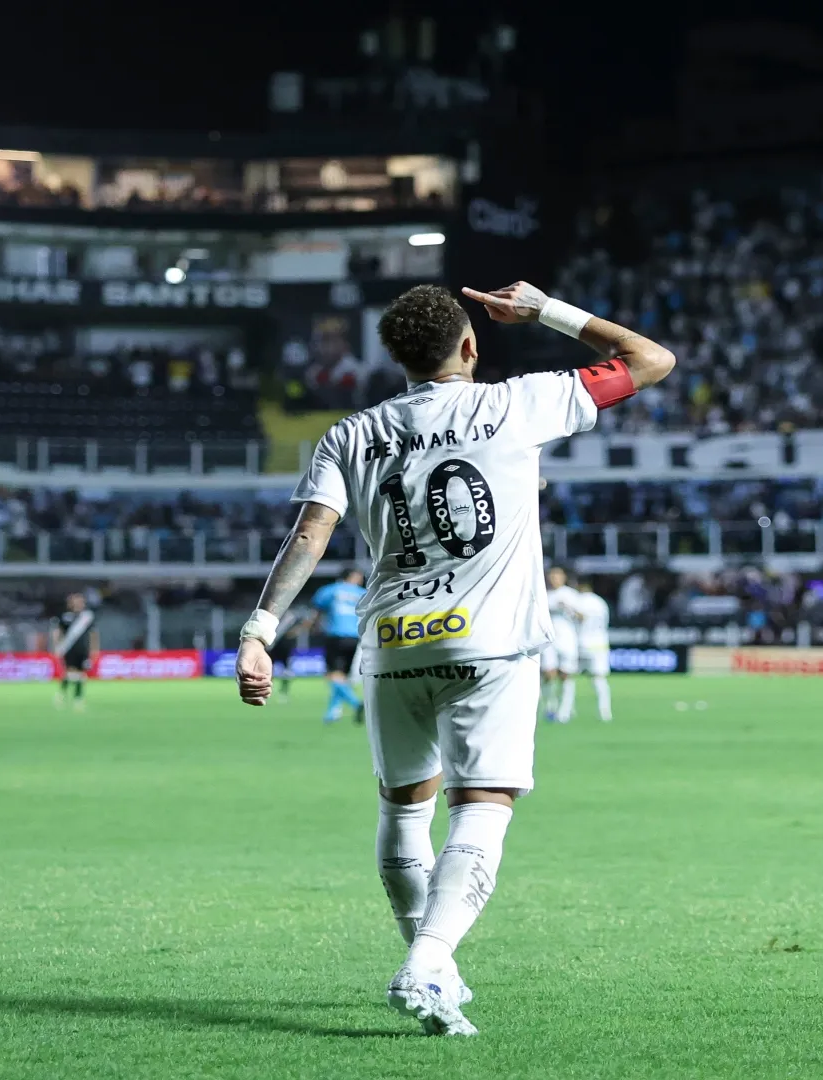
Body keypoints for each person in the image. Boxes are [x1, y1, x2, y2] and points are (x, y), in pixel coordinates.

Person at [232, 279, 674, 1035]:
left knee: (404, 809)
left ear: (397, 358)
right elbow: (650, 359)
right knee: (482, 808)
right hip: (489, 643)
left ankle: (436, 974)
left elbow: (309, 534)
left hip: (393, 641)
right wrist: (547, 312)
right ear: (469, 346)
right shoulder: (515, 404)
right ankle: (428, 961)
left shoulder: (350, 433)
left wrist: (259, 628)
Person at [310, 568, 368, 724]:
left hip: (335, 635)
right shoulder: (363, 593)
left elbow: (317, 611)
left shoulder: (329, 590)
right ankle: (332, 712)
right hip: (355, 637)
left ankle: (356, 703)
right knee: (342, 677)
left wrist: (314, 626)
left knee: (332, 675)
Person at [542, 567, 581, 723]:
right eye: (552, 576)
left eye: (557, 576)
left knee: (565, 674)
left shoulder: (571, 594)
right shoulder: (544, 594)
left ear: (564, 577)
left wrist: (568, 607)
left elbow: (582, 617)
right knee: (548, 673)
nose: (554, 579)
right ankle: (549, 706)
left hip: (567, 639)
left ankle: (565, 710)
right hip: (548, 640)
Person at [571, 579, 613, 723]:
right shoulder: (601, 602)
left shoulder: (579, 601)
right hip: (600, 644)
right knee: (599, 678)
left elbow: (580, 618)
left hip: (583, 643)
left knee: (568, 676)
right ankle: (605, 712)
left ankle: (567, 710)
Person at [52, 591, 100, 711]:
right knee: (69, 673)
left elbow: (93, 634)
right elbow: (58, 632)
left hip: (83, 649)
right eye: (77, 601)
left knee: (82, 674)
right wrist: (57, 646)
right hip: (69, 649)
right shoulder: (65, 616)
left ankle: (78, 699)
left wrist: (95, 649)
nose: (79, 603)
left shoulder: (88, 617)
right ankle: (61, 694)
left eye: (81, 601)